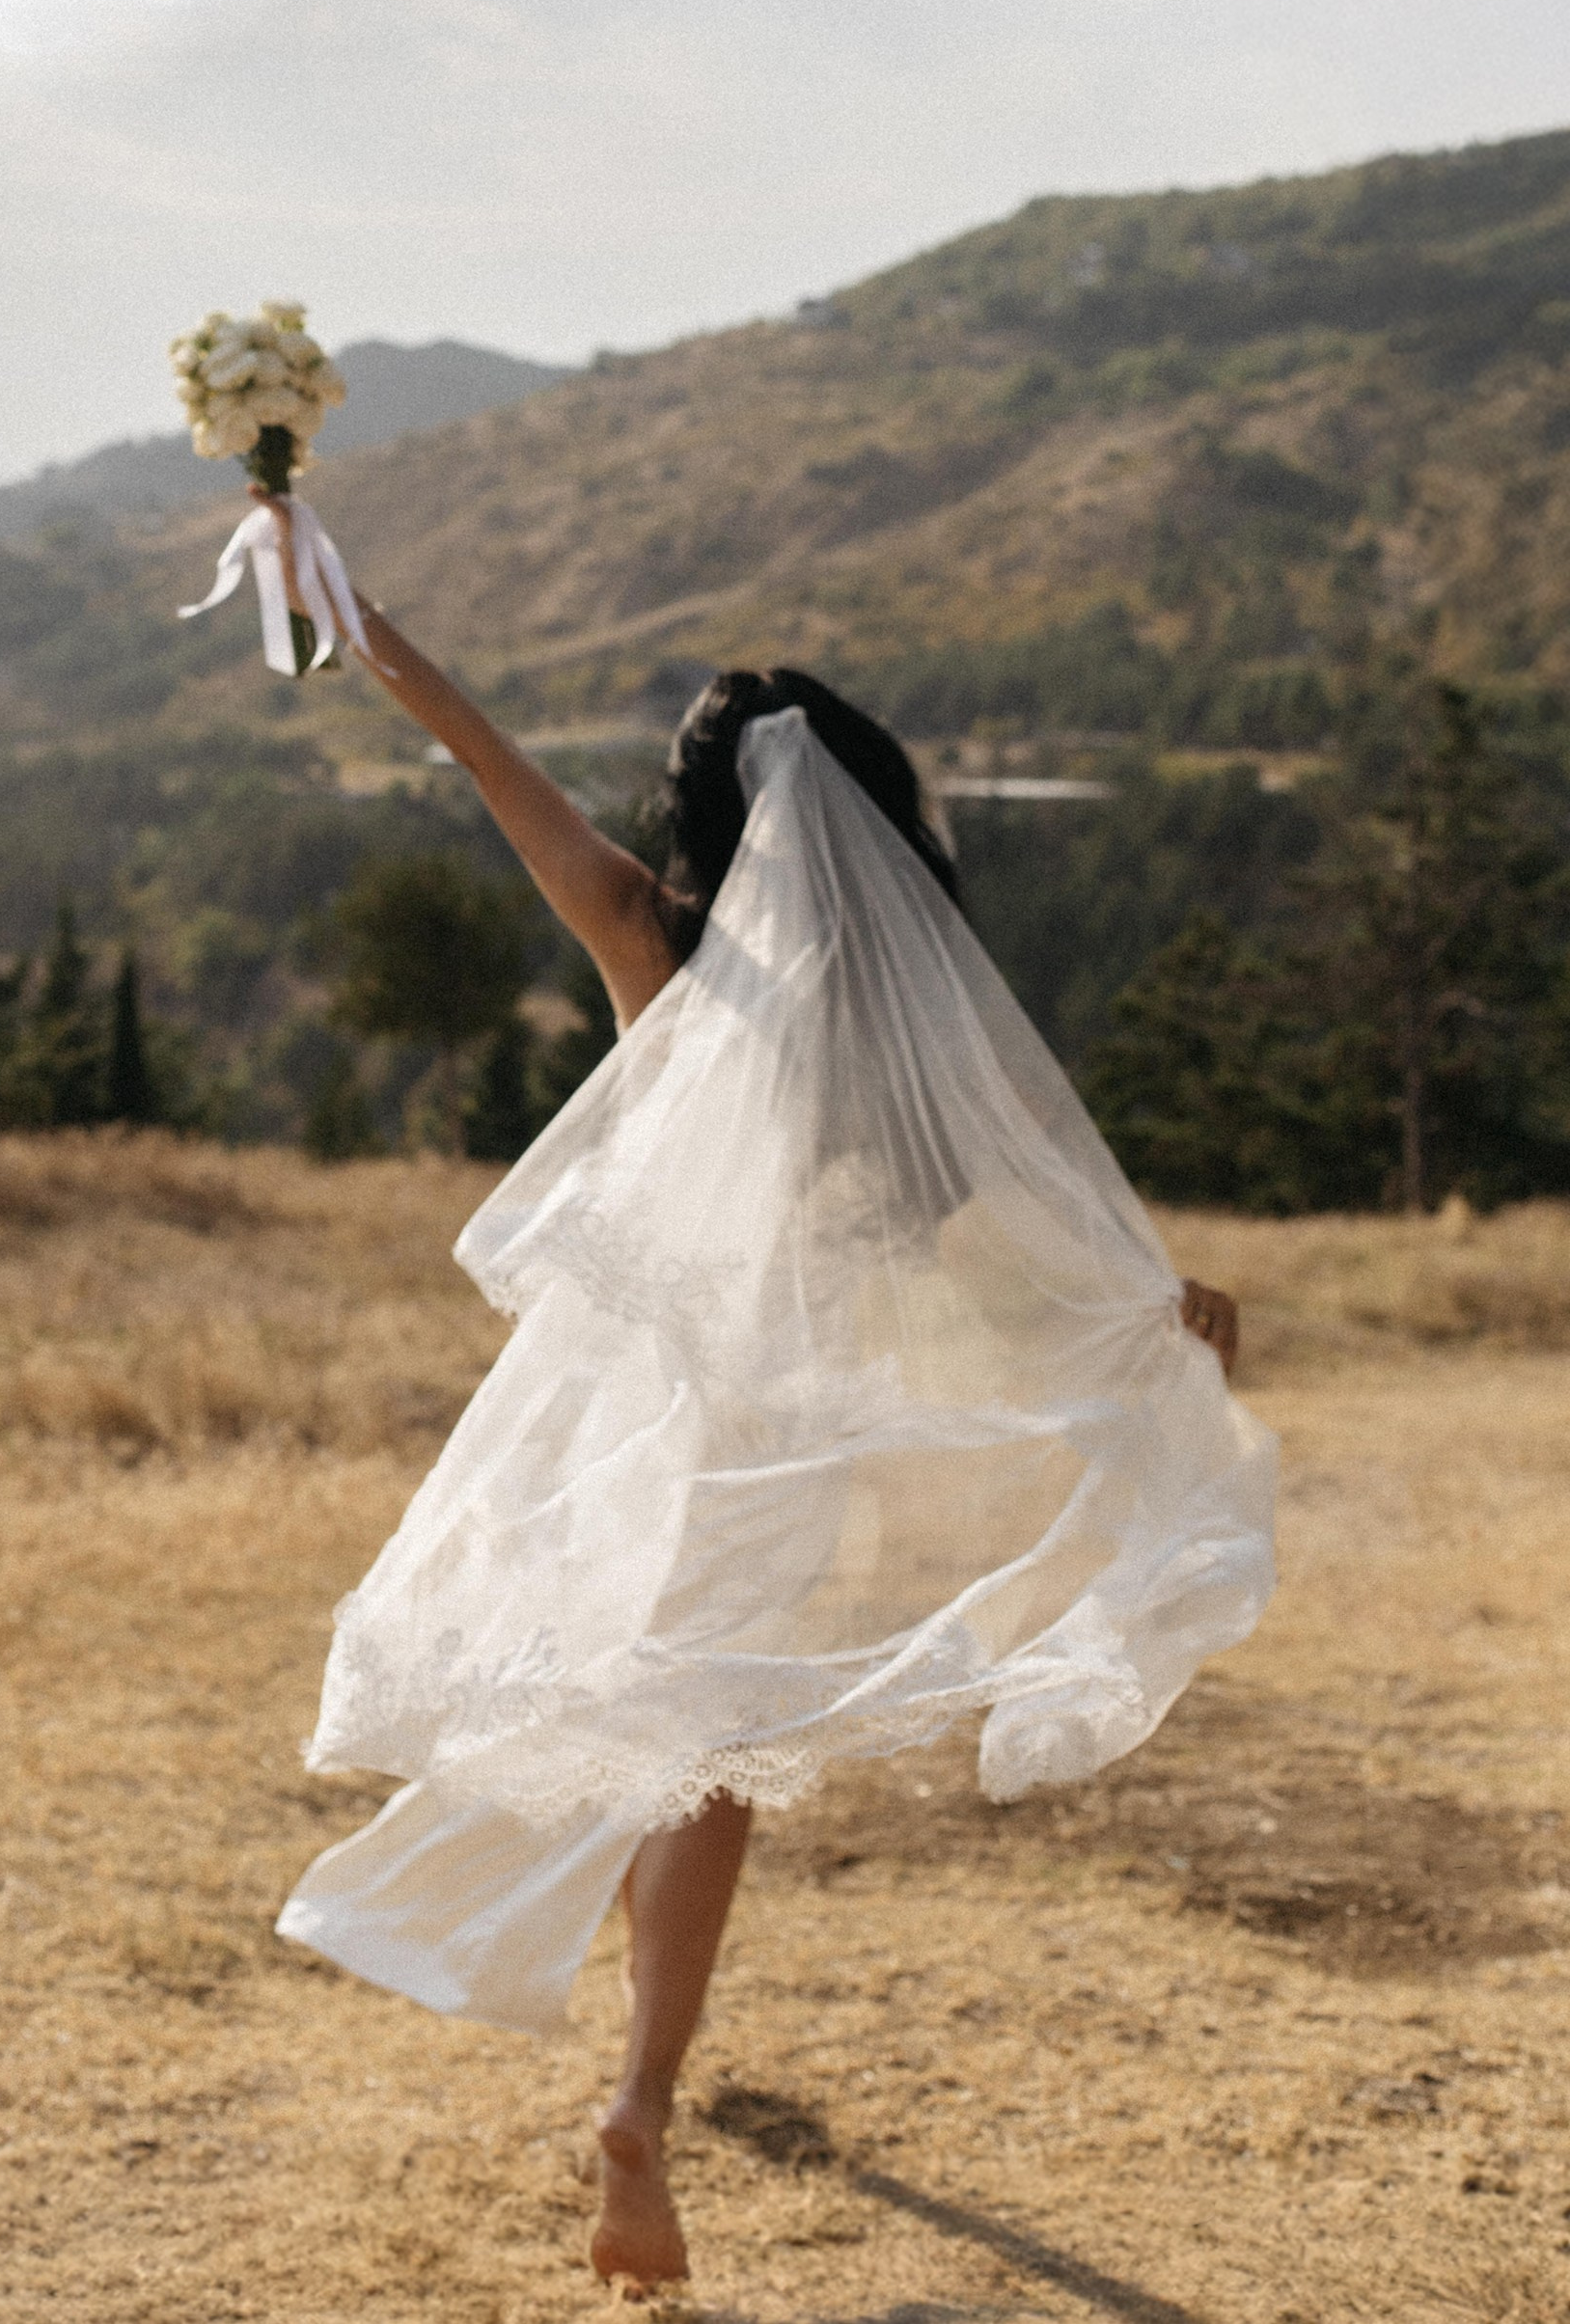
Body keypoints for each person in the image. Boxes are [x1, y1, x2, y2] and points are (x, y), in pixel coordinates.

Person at [264, 496, 1273, 2298]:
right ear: (874, 823)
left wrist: (328, 578)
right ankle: (643, 2094)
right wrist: (1152, 1322)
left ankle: (638, 2084)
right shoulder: (901, 1039)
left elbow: (471, 740)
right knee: (699, 1756)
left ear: (707, 819)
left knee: (656, 1734)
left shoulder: (651, 943)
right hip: (785, 1444)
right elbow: (1017, 1255)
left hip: (622, 1428)